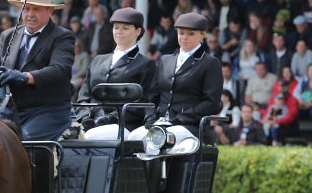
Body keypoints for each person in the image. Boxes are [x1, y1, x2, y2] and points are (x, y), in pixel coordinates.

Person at [0, 0, 75, 140]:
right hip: (11, 109)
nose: (30, 14)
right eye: (26, 8)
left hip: (48, 111)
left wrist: (24, 77)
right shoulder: (8, 35)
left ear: (50, 11)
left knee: (20, 144)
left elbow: (59, 69)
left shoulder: (62, 36)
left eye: (36, 9)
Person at [76, 8, 157, 132]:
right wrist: (85, 118)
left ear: (138, 31)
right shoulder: (97, 60)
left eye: (125, 28)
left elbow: (142, 103)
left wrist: (109, 119)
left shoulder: (145, 64)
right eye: (116, 27)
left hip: (122, 125)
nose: (119, 32)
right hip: (90, 123)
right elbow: (83, 96)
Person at [149, 12, 223, 140]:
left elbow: (211, 102)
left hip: (190, 125)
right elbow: (153, 95)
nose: (185, 37)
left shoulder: (210, 63)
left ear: (202, 36)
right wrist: (150, 117)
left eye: (191, 33)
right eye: (181, 33)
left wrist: (180, 118)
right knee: (134, 138)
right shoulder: (165, 60)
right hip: (160, 123)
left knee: (161, 141)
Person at [262, 77, 299, 145]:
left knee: (274, 130)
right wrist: (265, 119)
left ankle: (276, 144)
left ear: (289, 87)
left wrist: (277, 122)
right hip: (273, 123)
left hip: (288, 127)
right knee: (263, 129)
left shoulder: (293, 100)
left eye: (285, 86)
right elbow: (267, 111)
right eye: (281, 86)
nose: (282, 88)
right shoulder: (275, 98)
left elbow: (291, 116)